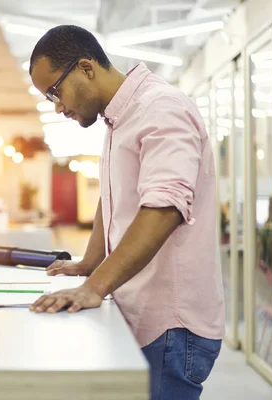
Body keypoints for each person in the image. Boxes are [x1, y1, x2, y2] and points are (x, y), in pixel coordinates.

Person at [27, 25, 225, 400]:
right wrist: (90, 261)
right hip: (141, 311)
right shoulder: (119, 119)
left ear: (86, 68)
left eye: (55, 91)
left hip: (170, 325)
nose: (57, 106)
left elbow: (164, 207)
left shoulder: (161, 108)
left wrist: (93, 288)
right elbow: (114, 193)